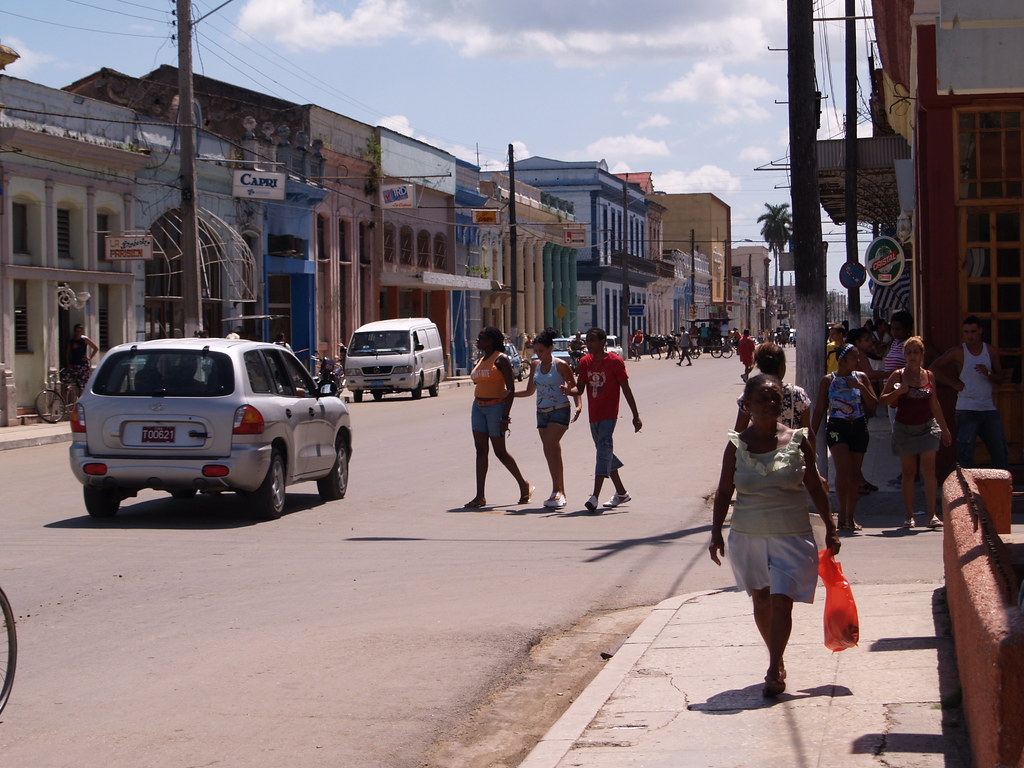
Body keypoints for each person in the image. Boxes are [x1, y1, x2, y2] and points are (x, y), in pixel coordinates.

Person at [710, 374, 841, 697]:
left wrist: (831, 526)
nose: (770, 404)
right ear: (749, 406)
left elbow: (815, 486)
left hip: (792, 536)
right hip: (748, 536)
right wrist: (715, 533)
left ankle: (773, 666)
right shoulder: (736, 445)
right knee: (763, 598)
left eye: (775, 399)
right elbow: (725, 490)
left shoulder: (797, 440)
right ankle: (777, 658)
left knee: (782, 600)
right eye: (762, 399)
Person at [561, 327, 642, 511]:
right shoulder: (585, 362)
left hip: (609, 415)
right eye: (587, 340)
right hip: (594, 416)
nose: (588, 344)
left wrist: (635, 416)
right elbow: (580, 388)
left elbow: (626, 389)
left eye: (592, 340)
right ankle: (621, 492)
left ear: (602, 342)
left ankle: (595, 496)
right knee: (604, 452)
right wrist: (568, 391)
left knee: (603, 449)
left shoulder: (615, 362)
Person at [879, 336, 952, 529]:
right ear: (904, 355)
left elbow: (934, 403)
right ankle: (909, 515)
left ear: (922, 354)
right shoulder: (898, 375)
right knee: (909, 472)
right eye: (909, 352)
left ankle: (932, 515)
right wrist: (898, 392)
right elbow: (883, 400)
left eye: (916, 352)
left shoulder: (929, 375)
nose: (912, 356)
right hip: (904, 428)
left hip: (928, 427)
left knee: (929, 471)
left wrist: (944, 429)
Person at [811, 344, 878, 532]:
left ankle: (851, 516)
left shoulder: (861, 378)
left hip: (858, 426)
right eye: (854, 358)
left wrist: (861, 387)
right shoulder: (828, 380)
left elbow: (873, 404)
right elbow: (819, 409)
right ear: (842, 360)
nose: (858, 362)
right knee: (843, 471)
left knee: (855, 474)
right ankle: (841, 515)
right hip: (837, 427)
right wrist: (812, 434)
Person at [464, 326, 532, 509]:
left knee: (500, 452)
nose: (478, 341)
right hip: (478, 407)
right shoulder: (480, 359)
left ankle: (523, 484)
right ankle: (480, 496)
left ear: (492, 340)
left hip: (495, 407)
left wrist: (505, 416)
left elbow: (509, 390)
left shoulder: (501, 359)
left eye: (481, 338)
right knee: (480, 450)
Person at [515, 328, 583, 509]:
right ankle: (559, 491)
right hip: (541, 412)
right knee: (551, 451)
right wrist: (509, 394)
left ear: (550, 349)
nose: (538, 354)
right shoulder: (535, 365)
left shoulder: (560, 365)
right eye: (536, 350)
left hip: (559, 409)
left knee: (550, 445)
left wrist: (578, 405)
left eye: (541, 350)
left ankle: (558, 491)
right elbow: (530, 391)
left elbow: (574, 387)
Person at [931, 315, 1009, 469]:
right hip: (966, 408)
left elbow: (1000, 378)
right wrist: (953, 384)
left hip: (988, 408)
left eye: (973, 331)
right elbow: (933, 368)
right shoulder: (958, 352)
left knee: (1000, 451)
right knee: (965, 453)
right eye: (966, 332)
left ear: (980, 331)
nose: (970, 336)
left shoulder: (991, 351)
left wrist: (988, 373)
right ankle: (966, 490)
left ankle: (1001, 488)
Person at [733, 342, 811, 432]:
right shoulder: (798, 395)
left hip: (759, 446)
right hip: (793, 445)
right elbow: (808, 434)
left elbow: (737, 434)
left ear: (760, 368)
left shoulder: (750, 395)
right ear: (782, 367)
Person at [66, 323, 99, 390]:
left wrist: (89, 358)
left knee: (82, 384)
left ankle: (80, 398)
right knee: (67, 380)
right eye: (77, 331)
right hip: (74, 363)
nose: (78, 333)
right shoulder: (72, 341)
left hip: (82, 364)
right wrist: (68, 363)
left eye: (79, 331)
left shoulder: (84, 339)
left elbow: (95, 348)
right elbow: (68, 353)